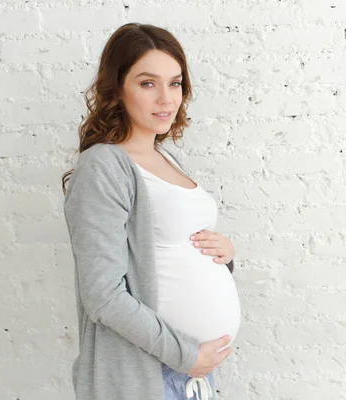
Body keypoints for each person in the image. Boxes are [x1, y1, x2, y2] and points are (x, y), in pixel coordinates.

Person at [61, 23, 241, 400]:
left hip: (189, 378)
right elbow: (103, 294)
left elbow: (164, 253)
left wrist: (222, 257)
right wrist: (186, 354)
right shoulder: (104, 166)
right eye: (147, 83)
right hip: (147, 376)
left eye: (175, 83)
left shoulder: (164, 157)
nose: (166, 98)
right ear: (116, 88)